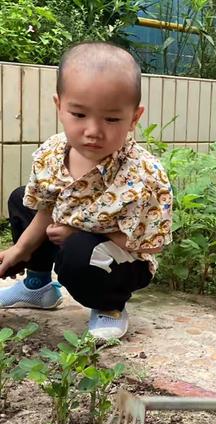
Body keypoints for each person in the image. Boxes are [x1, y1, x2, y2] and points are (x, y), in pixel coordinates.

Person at [0, 41, 173, 341]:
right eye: (79, 115)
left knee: (79, 252)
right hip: (69, 237)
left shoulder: (143, 174)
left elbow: (149, 244)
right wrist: (19, 250)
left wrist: (76, 233)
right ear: (60, 106)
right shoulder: (52, 153)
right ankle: (38, 287)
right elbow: (45, 210)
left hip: (122, 258)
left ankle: (110, 307)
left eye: (111, 119)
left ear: (134, 117)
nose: (93, 130)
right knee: (22, 199)